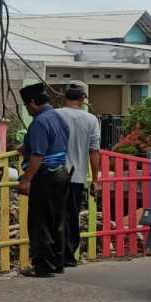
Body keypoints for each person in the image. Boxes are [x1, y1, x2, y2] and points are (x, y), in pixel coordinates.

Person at [16, 83, 71, 278]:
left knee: (39, 221)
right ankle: (58, 262)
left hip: (45, 176)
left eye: (26, 105)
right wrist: (27, 147)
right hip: (62, 174)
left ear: (32, 103)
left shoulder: (39, 122)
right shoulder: (58, 117)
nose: (28, 110)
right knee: (56, 220)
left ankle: (42, 265)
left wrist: (26, 180)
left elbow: (38, 156)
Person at [55, 81, 100, 269]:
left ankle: (56, 255)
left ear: (64, 98)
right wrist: (95, 180)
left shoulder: (55, 115)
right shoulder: (91, 120)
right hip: (78, 176)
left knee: (55, 216)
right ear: (82, 100)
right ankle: (70, 255)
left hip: (56, 174)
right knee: (72, 216)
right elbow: (94, 152)